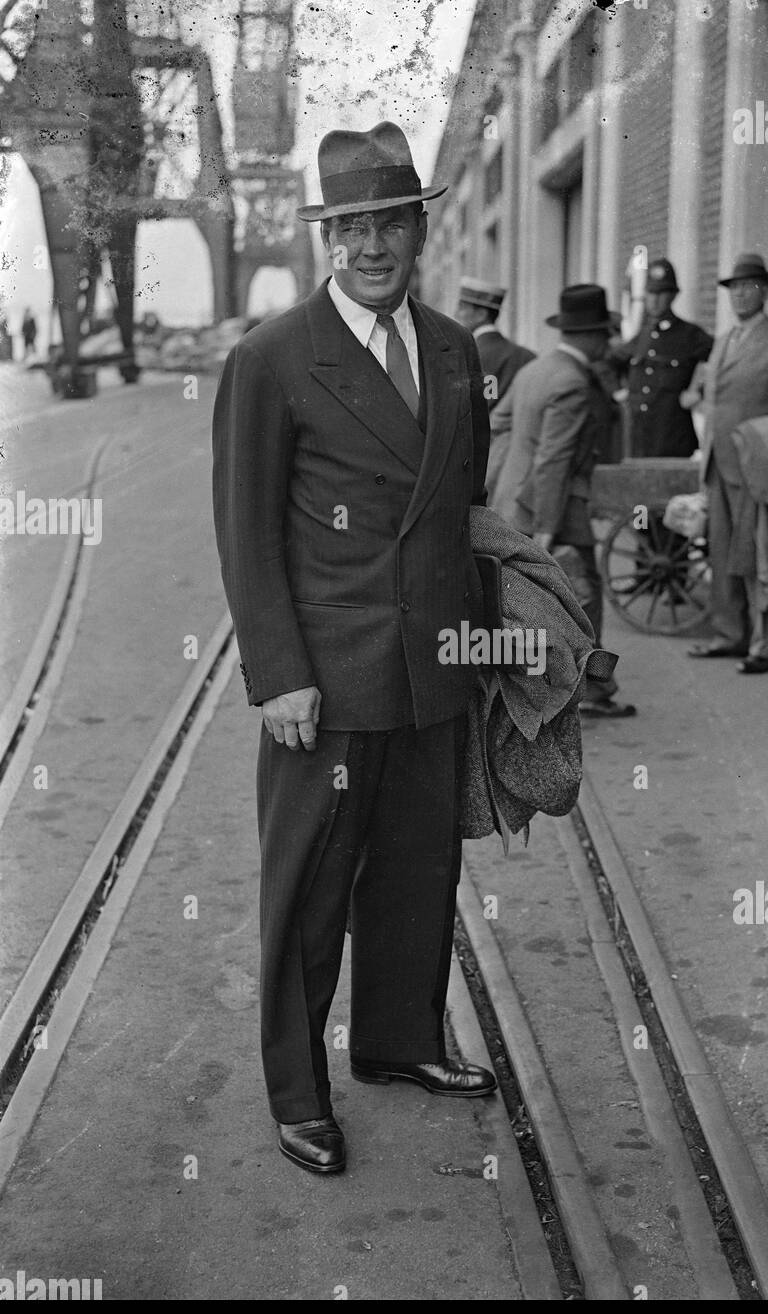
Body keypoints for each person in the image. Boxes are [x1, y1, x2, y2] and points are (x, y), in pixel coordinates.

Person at [212, 121, 497, 1177]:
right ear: (332, 237)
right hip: (326, 684)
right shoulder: (273, 359)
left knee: (422, 869)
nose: (375, 245)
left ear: (421, 229)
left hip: (435, 670)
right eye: (355, 226)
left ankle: (400, 1041)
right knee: (311, 890)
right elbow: (247, 535)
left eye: (393, 222)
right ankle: (298, 1091)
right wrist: (278, 674)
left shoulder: (456, 351)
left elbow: (460, 508)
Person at [501, 283, 635, 719]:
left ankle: (550, 689)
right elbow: (553, 460)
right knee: (583, 599)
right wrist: (546, 527)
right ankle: (591, 693)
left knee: (534, 604)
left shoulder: (534, 371)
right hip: (556, 509)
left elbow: (498, 425)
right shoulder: (573, 382)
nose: (609, 343)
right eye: (606, 335)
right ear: (594, 336)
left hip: (516, 502)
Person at [686, 254, 768, 672]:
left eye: (748, 286)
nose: (740, 294)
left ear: (766, 292)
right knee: (721, 552)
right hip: (718, 462)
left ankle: (764, 646)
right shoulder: (724, 340)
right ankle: (728, 635)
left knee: (755, 554)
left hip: (755, 464)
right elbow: (713, 401)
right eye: (733, 287)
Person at [609, 257, 713, 457]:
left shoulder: (690, 335)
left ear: (673, 295)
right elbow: (607, 363)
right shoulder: (641, 336)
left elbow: (723, 362)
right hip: (638, 438)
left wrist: (699, 391)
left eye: (661, 293)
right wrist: (618, 391)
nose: (655, 300)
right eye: (651, 293)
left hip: (674, 437)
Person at [456, 277, 534, 498]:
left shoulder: (465, 355)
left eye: (462, 308)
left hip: (477, 455)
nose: (456, 314)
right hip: (516, 458)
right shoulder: (525, 355)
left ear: (481, 314)